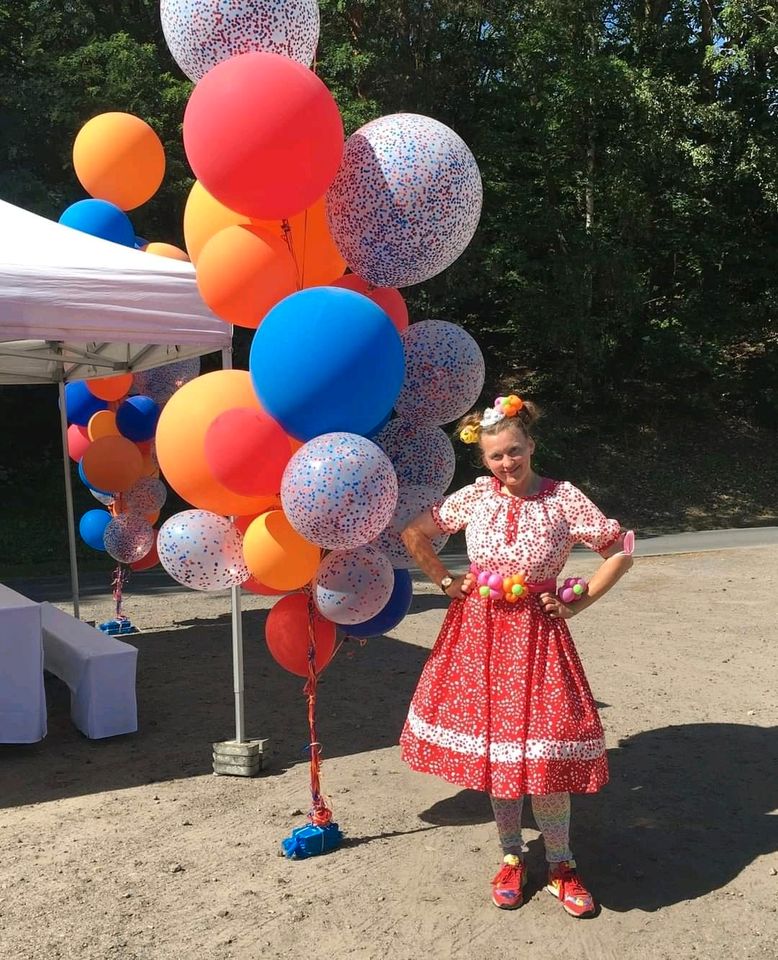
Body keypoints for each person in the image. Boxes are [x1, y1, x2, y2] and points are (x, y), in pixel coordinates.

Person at [400, 393, 634, 917]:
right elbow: (414, 532)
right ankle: (511, 854)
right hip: (478, 637)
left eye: (514, 450)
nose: (507, 463)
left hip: (539, 638)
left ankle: (561, 865)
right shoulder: (476, 497)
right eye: (496, 456)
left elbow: (620, 548)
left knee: (546, 757)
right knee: (501, 755)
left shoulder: (563, 498)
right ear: (484, 460)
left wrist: (580, 599)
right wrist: (444, 580)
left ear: (531, 444)